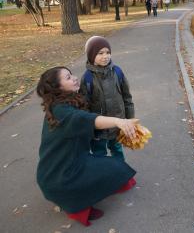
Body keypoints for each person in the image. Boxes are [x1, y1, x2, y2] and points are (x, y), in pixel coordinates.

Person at [36, 66, 140, 226]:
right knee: (116, 167)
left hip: (61, 168)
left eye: (72, 75)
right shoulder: (63, 111)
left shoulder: (63, 102)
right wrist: (119, 121)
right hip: (61, 175)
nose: (75, 78)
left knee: (115, 167)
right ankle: (76, 208)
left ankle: (75, 195)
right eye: (68, 77)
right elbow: (88, 119)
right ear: (58, 87)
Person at [80, 36, 134, 161]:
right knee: (99, 154)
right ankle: (103, 176)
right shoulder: (87, 78)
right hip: (98, 130)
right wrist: (88, 130)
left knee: (117, 151)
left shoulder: (117, 72)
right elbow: (84, 107)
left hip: (118, 125)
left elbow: (127, 98)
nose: (105, 56)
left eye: (108, 52)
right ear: (91, 55)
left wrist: (130, 121)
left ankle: (120, 173)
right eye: (100, 53)